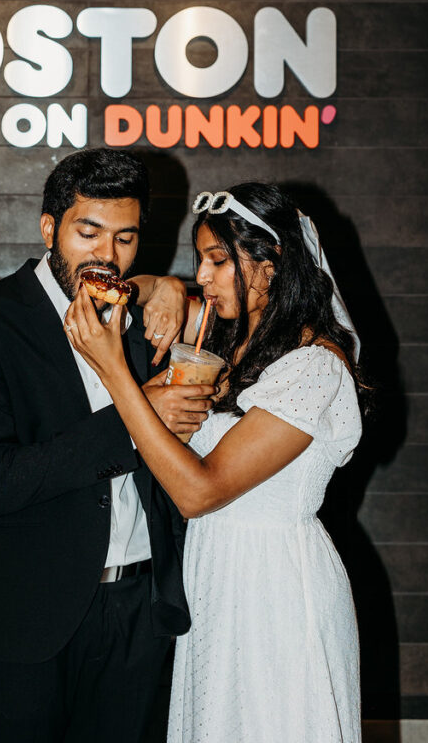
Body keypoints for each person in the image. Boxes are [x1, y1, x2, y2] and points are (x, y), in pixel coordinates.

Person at [65, 182, 367, 743]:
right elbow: (154, 288)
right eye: (202, 259)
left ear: (271, 263)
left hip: (275, 585)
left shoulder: (313, 370)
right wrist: (169, 290)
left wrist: (113, 370)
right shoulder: (232, 349)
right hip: (216, 575)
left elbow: (199, 492)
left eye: (218, 260)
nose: (202, 275)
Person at [0, 148, 213, 743]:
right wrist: (136, 419)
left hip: (143, 615)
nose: (107, 256)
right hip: (24, 619)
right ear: (49, 228)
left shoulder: (146, 315)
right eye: (88, 233)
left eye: (125, 239)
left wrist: (166, 284)